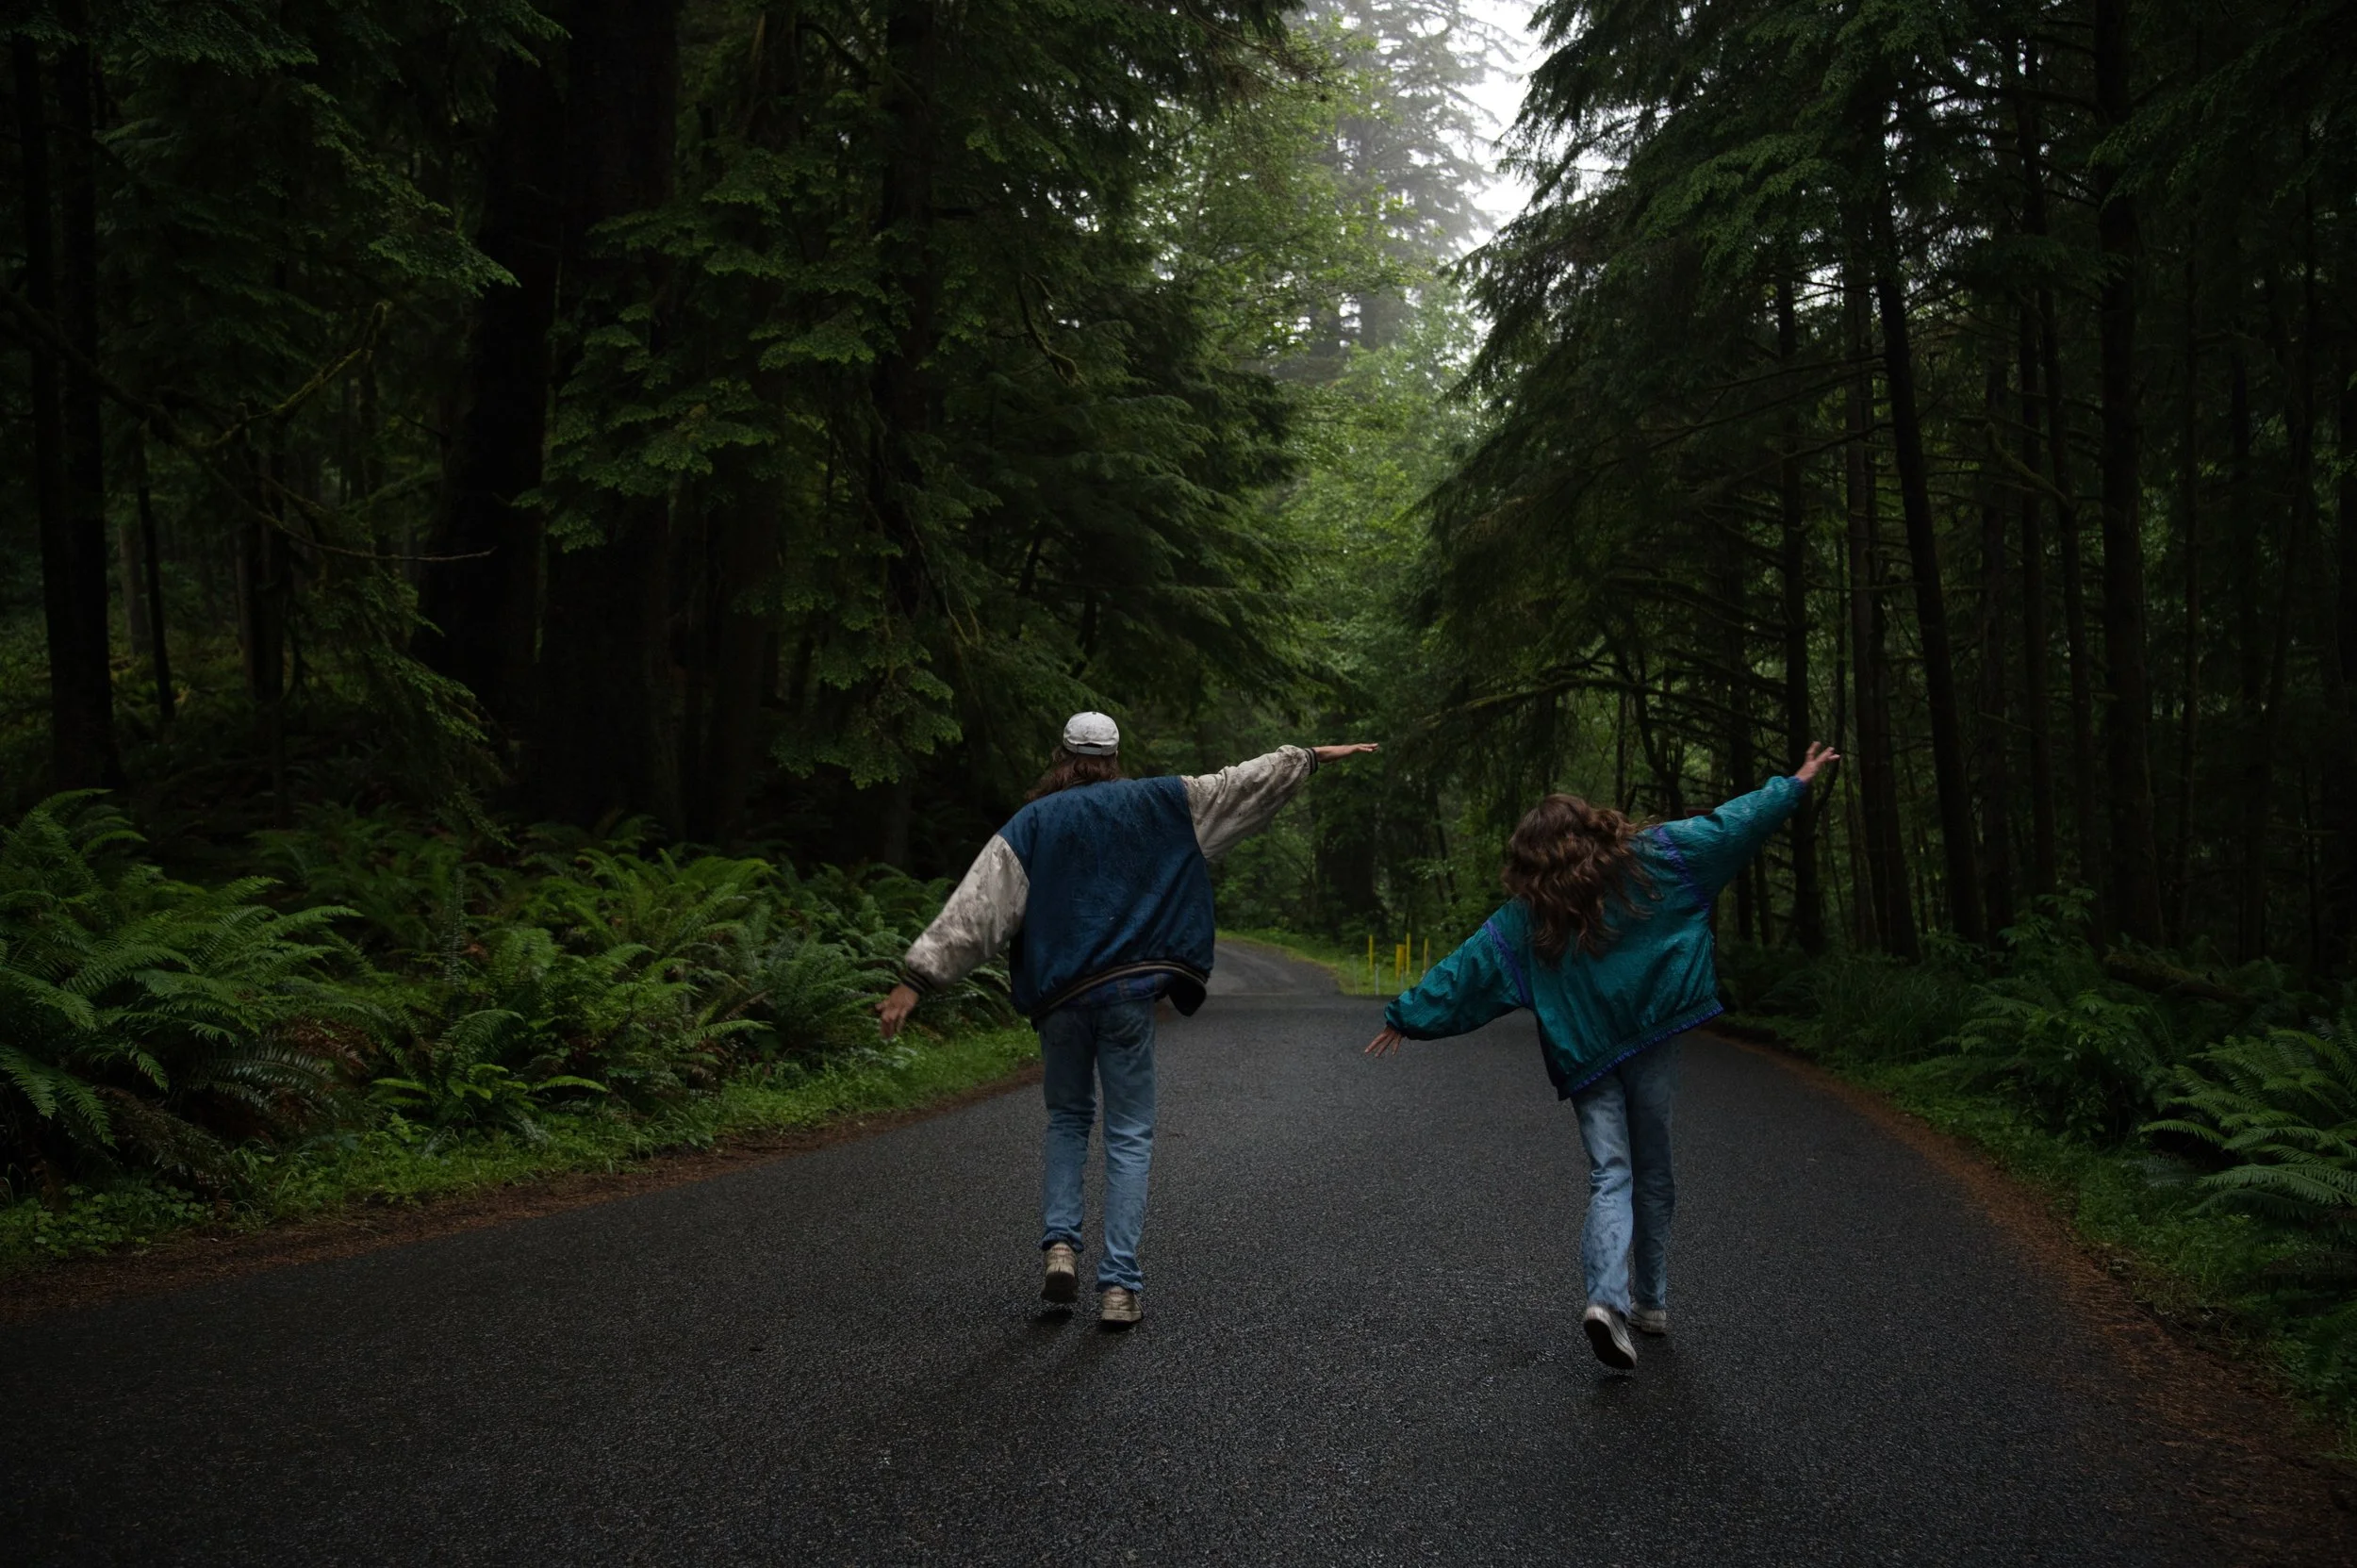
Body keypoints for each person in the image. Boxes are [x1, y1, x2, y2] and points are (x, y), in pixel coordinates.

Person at [878, 712, 1379, 1327]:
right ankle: (1118, 1285)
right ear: (1115, 758)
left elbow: (978, 909)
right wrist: (1308, 755)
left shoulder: (1032, 823)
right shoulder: (1162, 802)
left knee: (1067, 1117)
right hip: (1127, 998)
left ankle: (1061, 1245)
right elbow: (1238, 784)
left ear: (1062, 754)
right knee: (1130, 1130)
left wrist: (915, 980)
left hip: (1060, 1000)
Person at [1365, 743, 1840, 1371]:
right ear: (1589, 823)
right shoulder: (1659, 859)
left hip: (1588, 1057)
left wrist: (1407, 1014)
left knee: (1610, 1174)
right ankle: (1651, 1302)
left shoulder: (1525, 917)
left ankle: (1607, 1302)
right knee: (1654, 1169)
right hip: (1650, 1040)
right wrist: (1797, 781)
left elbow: (1465, 972)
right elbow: (1736, 821)